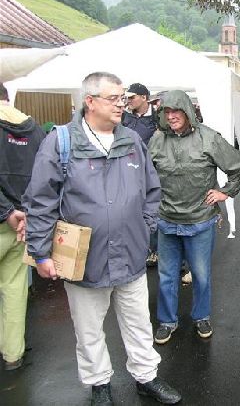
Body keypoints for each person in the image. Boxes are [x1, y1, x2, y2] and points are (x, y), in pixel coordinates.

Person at [22, 72, 181, 405]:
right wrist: (40, 253)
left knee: (139, 323)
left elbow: (152, 189)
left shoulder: (131, 140)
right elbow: (40, 200)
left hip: (132, 254)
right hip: (85, 260)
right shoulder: (62, 141)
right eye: (114, 98)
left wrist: (145, 225)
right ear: (90, 101)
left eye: (123, 98)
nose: (121, 104)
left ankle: (146, 376)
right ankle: (99, 385)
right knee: (89, 328)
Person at [148, 90, 240, 344]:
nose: (171, 117)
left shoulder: (208, 138)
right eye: (166, 112)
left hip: (200, 221)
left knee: (201, 275)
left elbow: (237, 166)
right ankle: (167, 321)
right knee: (167, 276)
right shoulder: (157, 141)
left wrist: (225, 192)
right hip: (167, 220)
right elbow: (145, 177)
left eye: (175, 111)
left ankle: (201, 315)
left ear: (188, 111)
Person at [0, 83, 45, 371]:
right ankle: (12, 354)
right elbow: (44, 178)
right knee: (15, 288)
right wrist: (27, 213)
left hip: (7, 217)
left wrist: (6, 211)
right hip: (22, 224)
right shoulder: (35, 129)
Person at [123, 83, 160, 266]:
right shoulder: (123, 117)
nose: (129, 101)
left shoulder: (159, 117)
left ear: (144, 97)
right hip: (128, 172)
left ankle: (154, 249)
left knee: (152, 209)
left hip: (153, 172)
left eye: (132, 97)